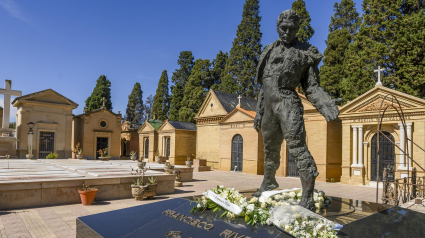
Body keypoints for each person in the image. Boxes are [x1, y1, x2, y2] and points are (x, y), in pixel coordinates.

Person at [252, 9, 340, 211]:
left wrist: (325, 103)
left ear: (297, 29)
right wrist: (259, 112)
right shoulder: (268, 50)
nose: (286, 33)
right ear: (277, 28)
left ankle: (307, 196)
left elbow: (312, 87)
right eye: (283, 28)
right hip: (268, 107)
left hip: (287, 102)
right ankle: (269, 182)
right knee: (269, 149)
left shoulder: (305, 52)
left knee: (298, 147)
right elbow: (264, 86)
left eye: (291, 29)